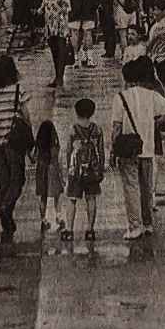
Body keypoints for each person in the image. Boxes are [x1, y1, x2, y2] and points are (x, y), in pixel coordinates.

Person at [111, 57, 165, 239]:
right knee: (146, 188)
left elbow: (116, 127)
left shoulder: (120, 97)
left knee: (131, 187)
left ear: (127, 79)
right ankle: (148, 224)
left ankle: (135, 226)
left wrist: (112, 151)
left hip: (128, 150)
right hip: (147, 147)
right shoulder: (150, 94)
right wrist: (156, 123)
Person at [0, 53, 28, 239]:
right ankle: (6, 207)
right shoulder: (18, 90)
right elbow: (26, 117)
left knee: (2, 182)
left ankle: (6, 218)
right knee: (18, 178)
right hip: (13, 144)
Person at [63, 97, 105, 241]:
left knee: (72, 199)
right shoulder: (97, 130)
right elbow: (101, 151)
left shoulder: (73, 130)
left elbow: (68, 150)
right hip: (92, 170)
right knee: (91, 198)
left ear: (76, 112)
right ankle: (90, 229)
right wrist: (100, 168)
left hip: (76, 171)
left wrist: (68, 167)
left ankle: (69, 230)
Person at [40, 0, 72, 89]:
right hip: (49, 27)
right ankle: (57, 76)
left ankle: (60, 77)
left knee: (61, 51)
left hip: (60, 25)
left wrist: (67, 28)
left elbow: (67, 10)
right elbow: (42, 8)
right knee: (54, 52)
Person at [33, 120, 64, 232]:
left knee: (43, 195)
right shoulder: (53, 143)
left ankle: (43, 219)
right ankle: (58, 216)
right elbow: (55, 156)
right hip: (52, 168)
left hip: (41, 169)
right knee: (57, 194)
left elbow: (34, 157)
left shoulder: (39, 145)